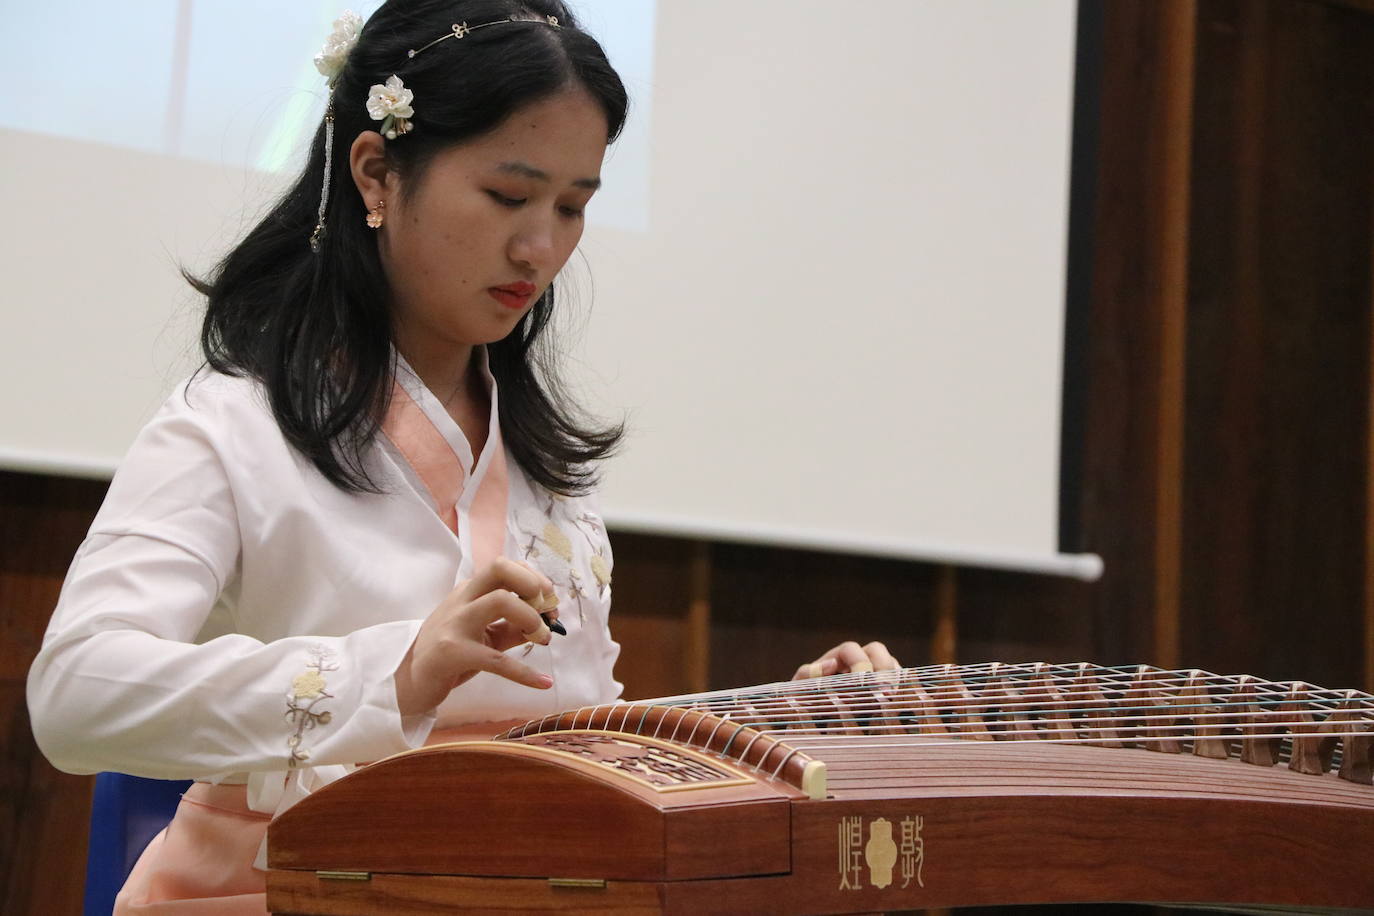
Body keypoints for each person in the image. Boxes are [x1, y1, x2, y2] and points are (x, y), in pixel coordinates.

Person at [26, 2, 897, 911]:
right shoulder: (235, 423)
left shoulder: (540, 456)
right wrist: (391, 675)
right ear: (375, 172)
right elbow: (77, 695)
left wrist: (775, 726)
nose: (540, 247)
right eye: (508, 196)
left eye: (572, 206)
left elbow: (577, 740)